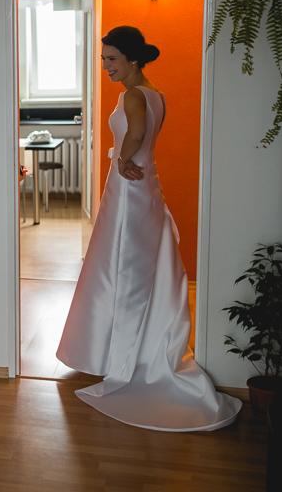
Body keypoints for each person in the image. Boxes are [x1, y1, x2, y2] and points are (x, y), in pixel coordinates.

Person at [55, 26, 242, 431]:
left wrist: (121, 160)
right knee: (134, 269)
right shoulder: (156, 94)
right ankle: (124, 349)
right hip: (147, 187)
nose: (105, 65)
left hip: (130, 189)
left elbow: (137, 133)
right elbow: (146, 135)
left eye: (111, 59)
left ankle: (121, 357)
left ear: (133, 59)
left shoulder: (134, 95)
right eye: (103, 58)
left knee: (122, 270)